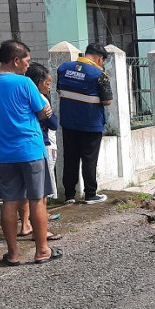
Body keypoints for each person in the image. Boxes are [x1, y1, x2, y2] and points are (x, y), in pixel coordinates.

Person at [0, 39, 62, 265]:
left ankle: (13, 254)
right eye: (26, 61)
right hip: (31, 149)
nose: (28, 65)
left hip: (5, 152)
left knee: (9, 202)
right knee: (37, 200)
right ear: (16, 61)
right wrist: (38, 113)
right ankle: (42, 250)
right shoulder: (25, 84)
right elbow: (44, 111)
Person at [57, 43, 113, 204]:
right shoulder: (99, 74)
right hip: (91, 124)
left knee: (70, 158)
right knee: (89, 159)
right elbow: (108, 100)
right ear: (99, 59)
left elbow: (60, 90)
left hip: (69, 122)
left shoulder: (63, 68)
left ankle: (69, 195)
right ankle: (90, 194)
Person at [17, 63, 62, 242]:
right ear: (38, 82)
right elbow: (53, 124)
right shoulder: (40, 99)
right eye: (47, 83)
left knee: (24, 192)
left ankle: (25, 225)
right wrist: (48, 114)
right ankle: (41, 232)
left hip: (18, 149)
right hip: (42, 145)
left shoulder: (20, 96)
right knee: (40, 194)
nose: (49, 87)